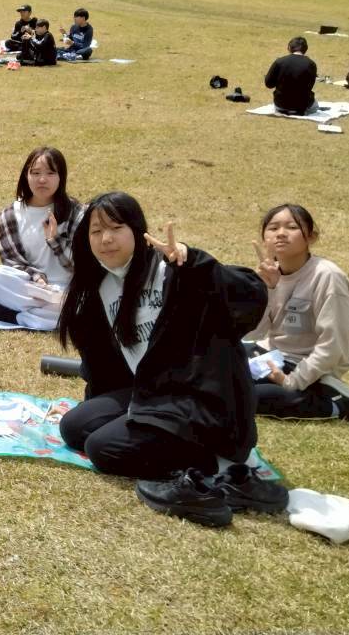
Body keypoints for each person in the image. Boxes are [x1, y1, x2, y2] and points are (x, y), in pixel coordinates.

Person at [55, 192, 278, 526]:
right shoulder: (100, 285)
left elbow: (239, 302)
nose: (106, 239)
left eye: (116, 228)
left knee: (103, 449)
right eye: (96, 231)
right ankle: (159, 438)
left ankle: (225, 470)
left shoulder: (173, 271)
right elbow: (103, 364)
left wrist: (195, 262)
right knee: (74, 427)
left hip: (198, 403)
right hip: (151, 394)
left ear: (138, 230)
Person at [246, 204, 349, 425]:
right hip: (272, 357)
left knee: (246, 397)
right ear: (264, 238)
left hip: (309, 369)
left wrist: (293, 381)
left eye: (291, 227)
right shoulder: (270, 273)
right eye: (273, 228)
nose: (281, 233)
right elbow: (255, 332)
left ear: (311, 237)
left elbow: (333, 345)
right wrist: (268, 289)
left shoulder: (328, 277)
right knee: (213, 371)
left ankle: (336, 403)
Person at [0, 146, 83, 330]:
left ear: (61, 177)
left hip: (67, 290)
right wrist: (37, 278)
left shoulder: (76, 212)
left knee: (83, 306)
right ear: (26, 176)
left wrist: (54, 241)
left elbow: (82, 265)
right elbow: (13, 263)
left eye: (50, 173)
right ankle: (46, 315)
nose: (42, 179)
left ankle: (18, 317)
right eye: (35, 173)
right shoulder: (9, 216)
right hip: (31, 288)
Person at [264, 37, 318, 116]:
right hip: (302, 106)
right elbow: (310, 86)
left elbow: (268, 84)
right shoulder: (311, 64)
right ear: (305, 49)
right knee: (315, 106)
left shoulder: (279, 61)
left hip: (280, 104)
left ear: (289, 47)